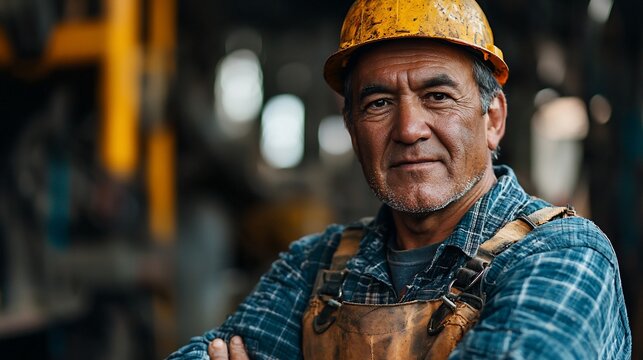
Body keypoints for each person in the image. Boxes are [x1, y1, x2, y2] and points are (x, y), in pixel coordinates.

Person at [168, 0, 632, 358]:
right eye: (379, 103)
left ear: (493, 118)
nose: (409, 129)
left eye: (437, 95)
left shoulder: (563, 254)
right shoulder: (314, 266)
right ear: (351, 129)